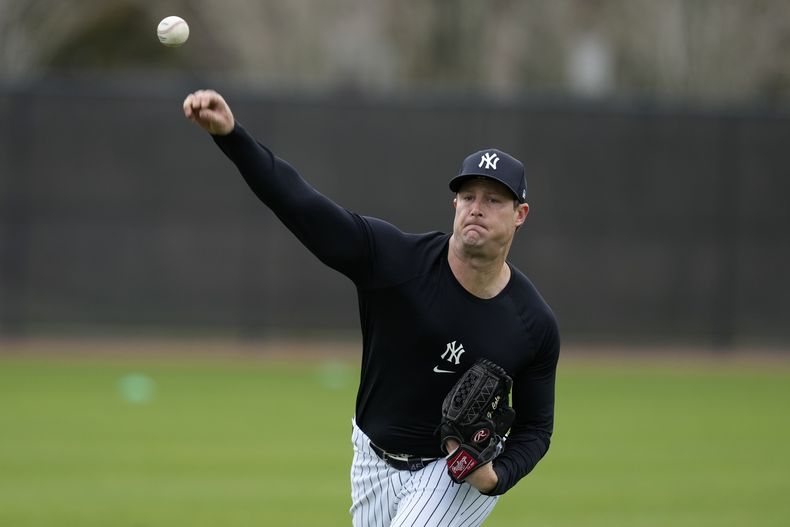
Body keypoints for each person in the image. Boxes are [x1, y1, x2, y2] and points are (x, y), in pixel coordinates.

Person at [183, 89, 560, 527]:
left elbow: (536, 428)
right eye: (468, 196)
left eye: (494, 200)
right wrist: (231, 136)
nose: (477, 208)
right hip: (371, 457)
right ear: (454, 203)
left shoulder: (532, 323)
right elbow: (300, 203)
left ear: (520, 214)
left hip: (452, 473)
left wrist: (497, 476)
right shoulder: (395, 262)